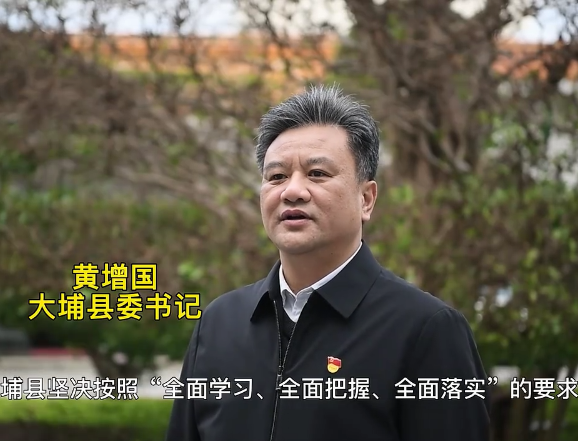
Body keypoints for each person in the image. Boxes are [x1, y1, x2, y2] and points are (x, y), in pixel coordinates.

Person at [164, 84, 490, 441]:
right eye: (277, 176)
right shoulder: (219, 323)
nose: (292, 191)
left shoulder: (426, 330)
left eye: (317, 173)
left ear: (366, 199)